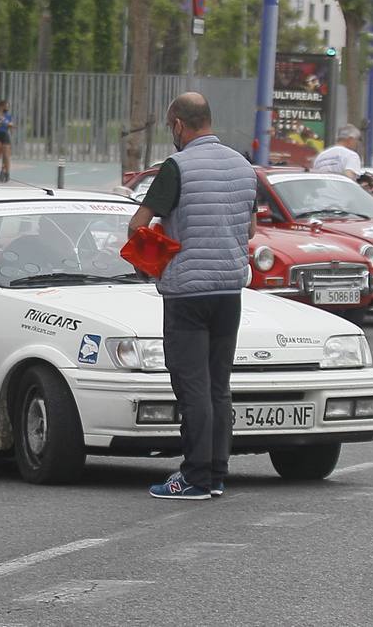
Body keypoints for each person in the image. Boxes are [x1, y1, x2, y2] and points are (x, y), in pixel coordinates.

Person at [128, 93, 252, 501]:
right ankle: (216, 473)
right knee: (219, 385)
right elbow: (248, 231)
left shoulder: (176, 167)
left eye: (171, 128)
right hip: (229, 290)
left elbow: (138, 224)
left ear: (179, 125)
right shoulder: (243, 166)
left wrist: (152, 257)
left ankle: (194, 476)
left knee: (192, 386)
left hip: (187, 294)